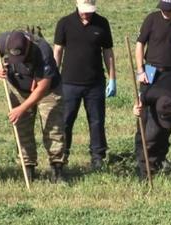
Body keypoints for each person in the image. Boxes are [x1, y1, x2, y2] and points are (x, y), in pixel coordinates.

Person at [0, 28, 66, 183]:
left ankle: (57, 169)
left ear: (28, 46)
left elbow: (42, 87)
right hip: (19, 89)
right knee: (22, 128)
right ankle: (28, 169)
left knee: (53, 128)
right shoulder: (4, 39)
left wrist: (21, 108)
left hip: (48, 90)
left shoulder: (43, 50)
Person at [53, 0, 116, 169]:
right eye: (84, 10)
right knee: (66, 120)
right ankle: (62, 155)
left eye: (90, 11)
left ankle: (97, 157)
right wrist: (53, 75)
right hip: (68, 83)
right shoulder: (65, 23)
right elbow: (58, 50)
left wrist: (112, 78)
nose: (87, 14)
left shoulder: (102, 23)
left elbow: (108, 52)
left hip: (95, 83)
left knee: (96, 121)